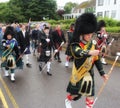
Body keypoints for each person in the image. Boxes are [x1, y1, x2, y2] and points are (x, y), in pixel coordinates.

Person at [65, 13, 108, 108]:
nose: (90, 36)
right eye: (87, 34)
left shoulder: (93, 43)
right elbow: (78, 52)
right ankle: (68, 99)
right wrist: (89, 53)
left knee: (90, 95)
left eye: (91, 33)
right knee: (75, 95)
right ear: (82, 33)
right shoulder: (75, 44)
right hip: (79, 73)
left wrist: (102, 73)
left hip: (89, 73)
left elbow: (97, 60)